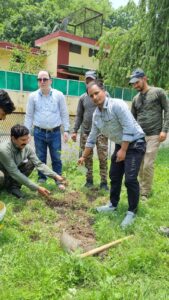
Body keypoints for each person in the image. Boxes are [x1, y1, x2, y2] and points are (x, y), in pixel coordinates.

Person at [78, 80, 146, 228]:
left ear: (104, 91)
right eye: (91, 95)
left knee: (130, 179)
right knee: (114, 174)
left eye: (97, 93)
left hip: (135, 143)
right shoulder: (97, 115)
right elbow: (91, 137)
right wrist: (83, 156)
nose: (95, 97)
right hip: (121, 144)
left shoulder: (117, 105)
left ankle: (132, 211)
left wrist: (123, 150)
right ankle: (112, 205)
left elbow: (128, 127)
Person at [24, 70, 69, 190]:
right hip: (38, 132)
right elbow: (29, 116)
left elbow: (64, 113)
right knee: (40, 157)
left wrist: (66, 130)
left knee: (56, 158)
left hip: (54, 132)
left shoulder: (59, 95)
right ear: (38, 81)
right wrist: (26, 132)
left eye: (45, 79)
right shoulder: (32, 96)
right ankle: (42, 178)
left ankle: (58, 180)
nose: (42, 81)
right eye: (39, 79)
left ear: (50, 80)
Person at [130, 68, 169, 201]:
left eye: (137, 82)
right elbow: (132, 119)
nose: (135, 85)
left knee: (147, 164)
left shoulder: (158, 92)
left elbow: (167, 111)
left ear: (144, 78)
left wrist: (164, 130)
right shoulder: (136, 99)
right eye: (133, 84)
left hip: (154, 134)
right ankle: (141, 188)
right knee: (140, 163)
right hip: (140, 136)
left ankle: (145, 193)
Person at [0, 124, 65, 199]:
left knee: (31, 162)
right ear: (13, 139)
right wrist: (37, 188)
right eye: (23, 140)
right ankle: (3, 188)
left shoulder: (26, 147)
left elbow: (39, 164)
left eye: (27, 139)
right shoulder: (4, 149)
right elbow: (14, 172)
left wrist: (55, 176)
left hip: (12, 171)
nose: (26, 142)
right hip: (4, 171)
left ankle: (14, 187)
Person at [71, 71, 108, 190]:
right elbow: (79, 115)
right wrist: (75, 130)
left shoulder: (104, 94)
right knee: (86, 158)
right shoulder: (83, 98)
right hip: (86, 133)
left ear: (95, 80)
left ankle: (104, 182)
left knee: (103, 158)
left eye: (91, 80)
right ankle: (89, 180)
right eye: (87, 80)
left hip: (102, 133)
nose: (88, 82)